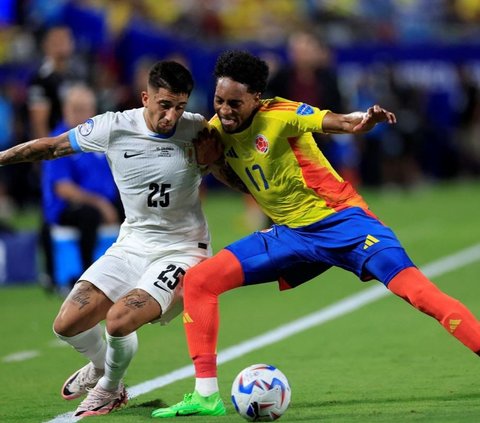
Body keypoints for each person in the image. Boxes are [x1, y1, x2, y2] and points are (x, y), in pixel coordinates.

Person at [151, 50, 480, 418]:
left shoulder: (281, 114)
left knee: (421, 295)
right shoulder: (217, 132)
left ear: (257, 99)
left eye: (234, 103)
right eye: (218, 101)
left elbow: (336, 121)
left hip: (345, 225)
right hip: (291, 235)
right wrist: (212, 163)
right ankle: (206, 396)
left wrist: (361, 121)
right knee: (199, 282)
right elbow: (251, 186)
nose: (224, 110)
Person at [0, 60, 221, 417]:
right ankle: (104, 366)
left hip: (182, 250)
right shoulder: (113, 127)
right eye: (164, 105)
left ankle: (109, 388)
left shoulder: (198, 131)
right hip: (133, 243)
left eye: (180, 107)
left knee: (119, 320)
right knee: (67, 324)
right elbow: (51, 147)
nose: (171, 116)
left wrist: (218, 166)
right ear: (145, 97)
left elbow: (235, 177)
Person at [40, 84, 123, 293]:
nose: (84, 115)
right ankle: (87, 279)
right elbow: (63, 188)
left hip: (103, 201)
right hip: (69, 207)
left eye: (87, 109)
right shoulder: (59, 141)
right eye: (78, 109)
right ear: (66, 109)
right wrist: (101, 204)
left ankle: (133, 270)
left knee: (138, 208)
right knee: (89, 216)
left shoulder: (96, 139)